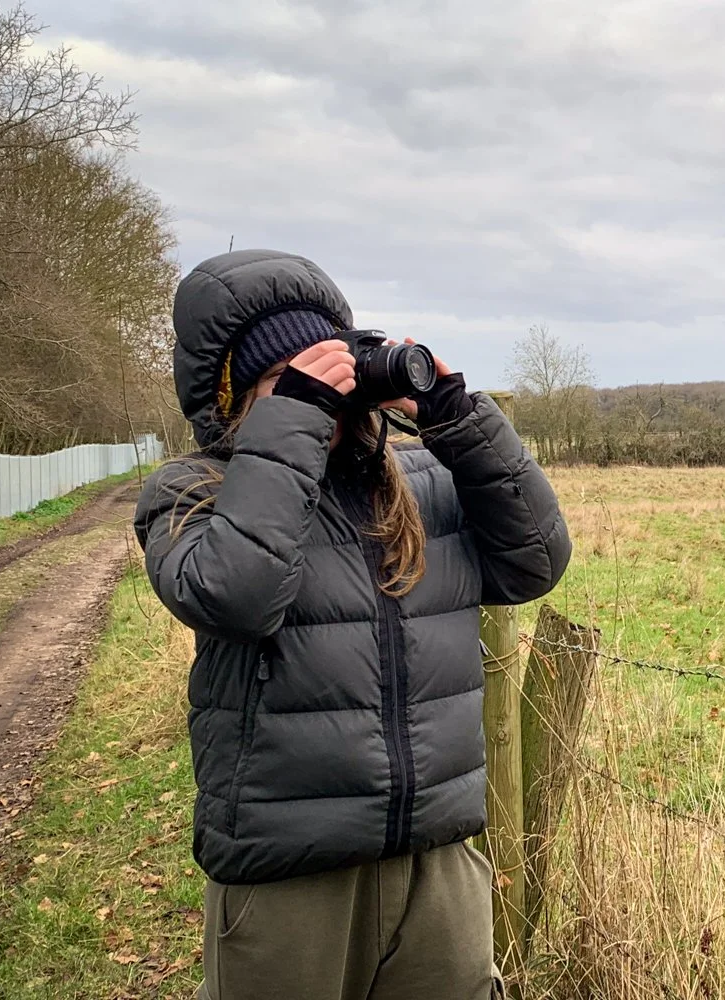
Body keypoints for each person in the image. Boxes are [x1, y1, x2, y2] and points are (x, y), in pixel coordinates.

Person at [134, 249, 571, 1000]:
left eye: (331, 377)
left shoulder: (422, 486)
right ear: (234, 400)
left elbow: (532, 562)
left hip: (437, 854)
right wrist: (292, 426)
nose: (323, 401)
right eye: (288, 384)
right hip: (289, 873)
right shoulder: (193, 494)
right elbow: (237, 594)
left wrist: (459, 421)